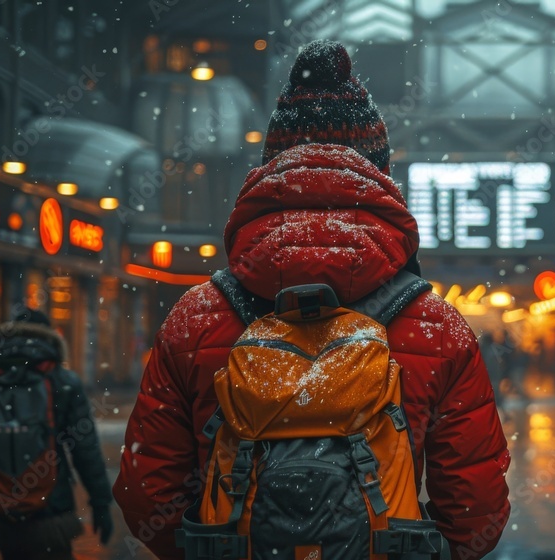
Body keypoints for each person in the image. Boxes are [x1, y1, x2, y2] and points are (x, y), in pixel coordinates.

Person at [114, 39, 511, 560]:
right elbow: (475, 510)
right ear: (379, 173)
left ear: (268, 170)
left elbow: (148, 493)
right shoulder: (436, 326)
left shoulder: (195, 318)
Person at [0, 307, 113, 560]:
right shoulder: (63, 381)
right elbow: (86, 449)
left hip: (0, 509)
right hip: (52, 506)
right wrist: (101, 503)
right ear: (49, 337)